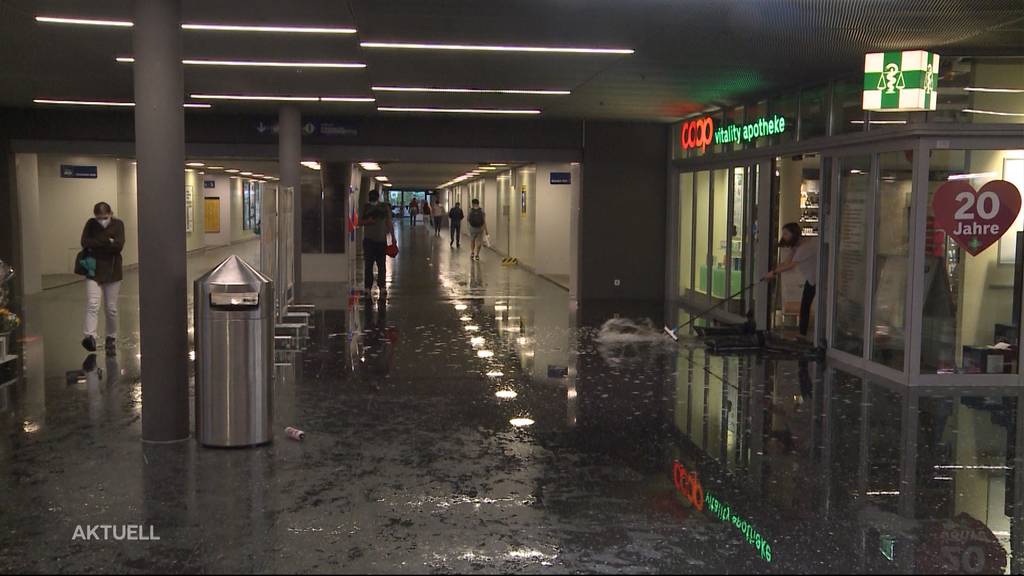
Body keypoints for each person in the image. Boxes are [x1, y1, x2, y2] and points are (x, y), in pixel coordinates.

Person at [80, 202, 125, 353]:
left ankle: (111, 337)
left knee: (111, 308)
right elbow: (85, 242)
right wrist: (108, 241)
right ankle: (89, 336)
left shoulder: (118, 224)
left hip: (113, 270)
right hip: (93, 269)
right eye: (98, 218)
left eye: (104, 217)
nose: (102, 220)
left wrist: (97, 243)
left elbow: (118, 246)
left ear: (111, 214)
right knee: (93, 304)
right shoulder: (91, 224)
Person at [763, 222, 818, 338]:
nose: (784, 237)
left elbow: (790, 266)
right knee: (805, 306)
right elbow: (786, 262)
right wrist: (773, 271)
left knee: (806, 306)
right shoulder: (798, 246)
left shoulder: (804, 248)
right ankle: (802, 335)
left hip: (817, 280)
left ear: (794, 234)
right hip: (811, 279)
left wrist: (774, 272)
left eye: (786, 234)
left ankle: (804, 335)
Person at [361, 190, 395, 298]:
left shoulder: (385, 208)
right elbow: (358, 222)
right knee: (369, 265)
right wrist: (367, 221)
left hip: (381, 241)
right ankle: (368, 287)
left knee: (381, 265)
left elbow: (389, 222)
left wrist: (393, 237)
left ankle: (382, 287)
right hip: (369, 240)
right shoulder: (365, 207)